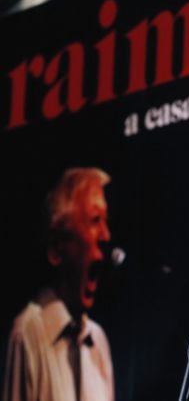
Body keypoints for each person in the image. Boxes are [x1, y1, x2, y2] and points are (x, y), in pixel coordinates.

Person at [3, 168, 115, 401]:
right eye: (95, 220)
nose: (106, 236)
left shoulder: (98, 341)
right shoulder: (28, 333)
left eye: (106, 221)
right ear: (57, 247)